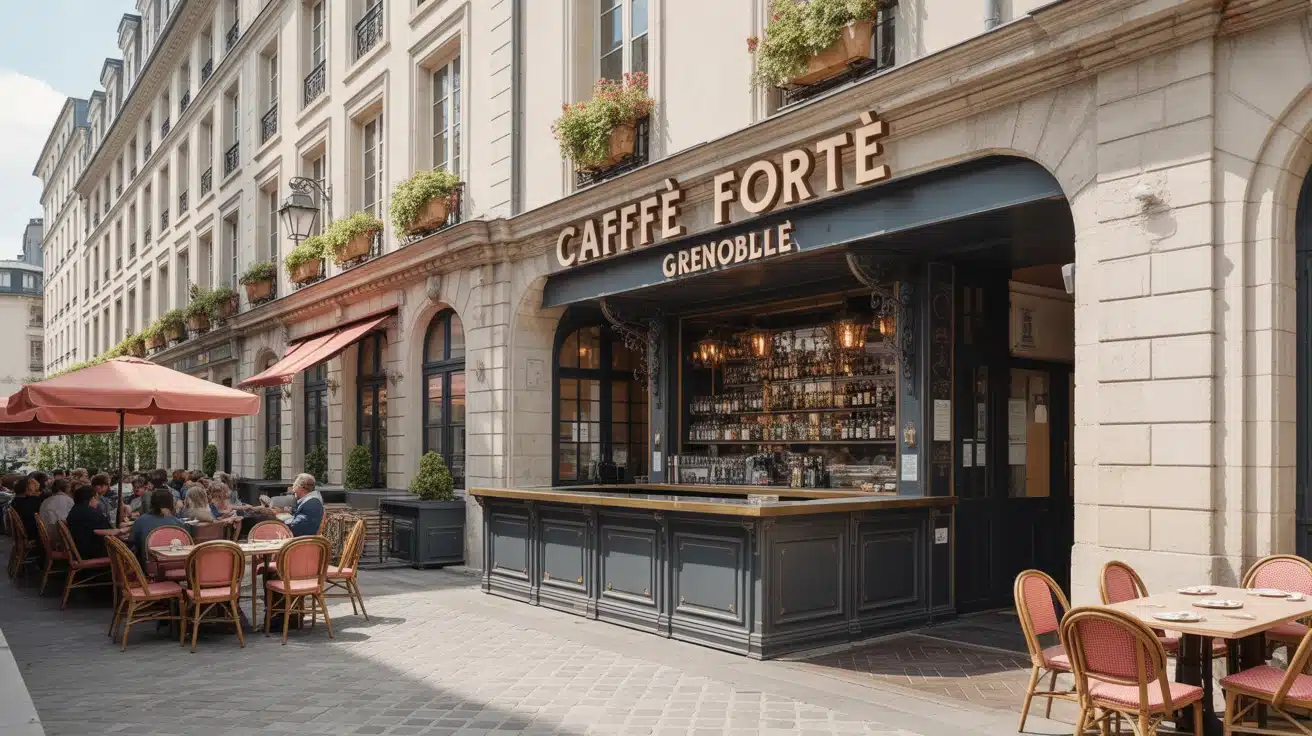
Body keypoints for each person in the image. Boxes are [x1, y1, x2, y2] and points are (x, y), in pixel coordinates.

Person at [254, 473, 323, 537]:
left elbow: (297, 526)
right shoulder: (310, 501)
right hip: (298, 538)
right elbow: (301, 518)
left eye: (294, 485)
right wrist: (285, 512)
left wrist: (279, 518)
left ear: (301, 487)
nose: (293, 489)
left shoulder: (312, 503)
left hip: (299, 541)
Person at [128, 489, 185, 563]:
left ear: (151, 503)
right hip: (177, 564)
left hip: (149, 565)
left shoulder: (140, 521)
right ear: (171, 504)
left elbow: (132, 544)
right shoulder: (179, 524)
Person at [65, 484, 114, 560]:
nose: (98, 502)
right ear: (92, 498)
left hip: (80, 549)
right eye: (97, 498)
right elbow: (105, 531)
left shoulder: (75, 509)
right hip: (92, 553)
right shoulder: (92, 513)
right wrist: (120, 531)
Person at [38, 479, 74, 544]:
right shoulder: (68, 500)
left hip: (46, 536)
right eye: (69, 487)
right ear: (66, 488)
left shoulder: (45, 501)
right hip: (60, 539)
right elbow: (64, 522)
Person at [9, 474, 45, 539]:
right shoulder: (32, 501)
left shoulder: (15, 500)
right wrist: (36, 493)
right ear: (27, 489)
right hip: (34, 533)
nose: (36, 489)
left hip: (24, 531)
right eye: (35, 487)